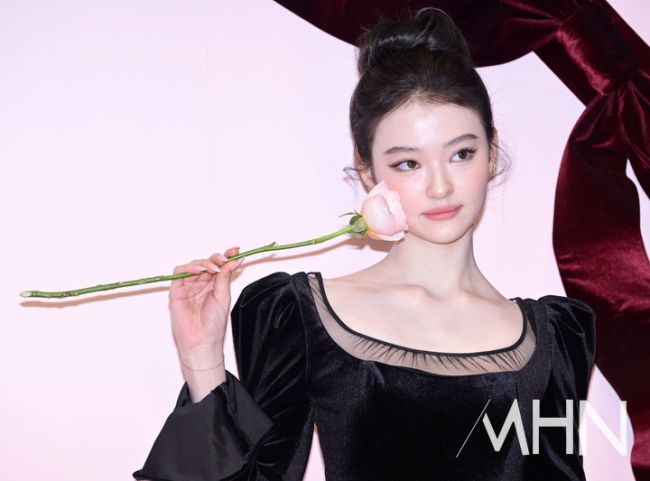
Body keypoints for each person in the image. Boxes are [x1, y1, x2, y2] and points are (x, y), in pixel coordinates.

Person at [133, 7, 596, 481]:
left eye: (461, 154)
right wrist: (202, 360)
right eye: (408, 163)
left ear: (491, 152)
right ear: (368, 171)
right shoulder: (304, 316)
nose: (440, 186)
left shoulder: (556, 340)